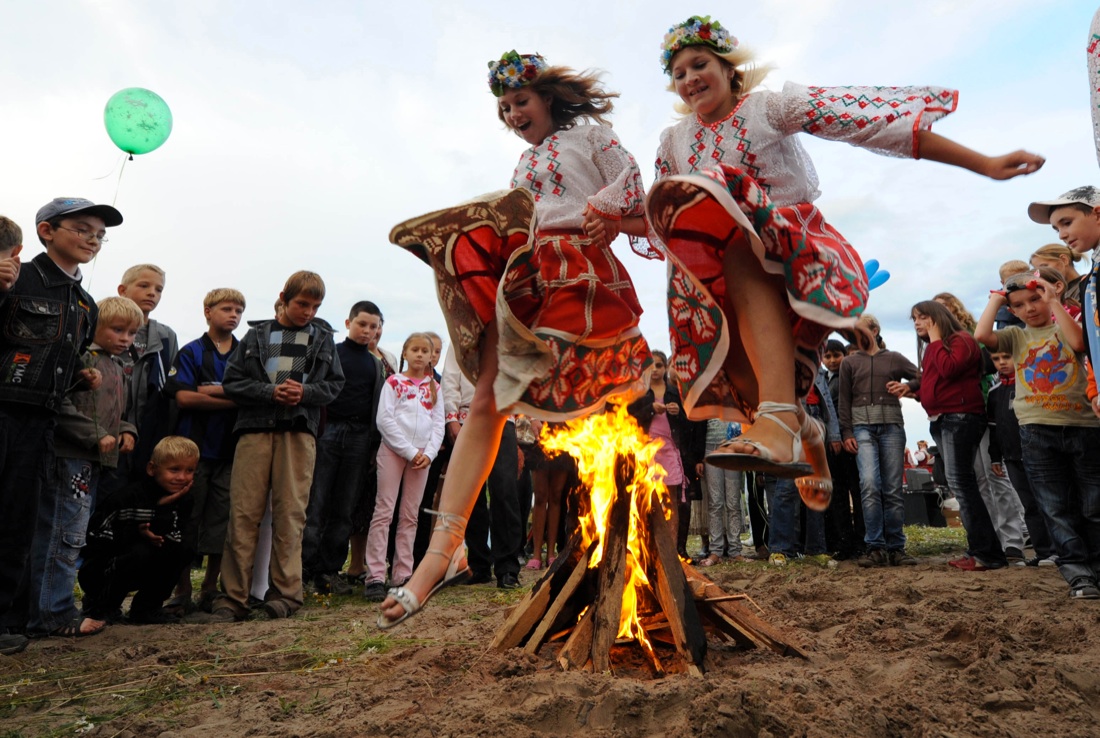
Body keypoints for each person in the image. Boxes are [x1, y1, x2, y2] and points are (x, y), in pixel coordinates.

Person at [644, 14, 1044, 515]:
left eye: (699, 64)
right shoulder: (675, 142)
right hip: (734, 279)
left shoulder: (768, 108)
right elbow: (661, 214)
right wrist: (599, 222)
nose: (689, 79)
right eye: (678, 73)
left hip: (797, 252)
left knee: (741, 248)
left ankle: (779, 419)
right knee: (741, 379)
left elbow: (868, 126)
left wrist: (981, 163)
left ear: (730, 69)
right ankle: (804, 429)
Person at [382, 51, 650, 627]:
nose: (512, 114)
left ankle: (624, 541)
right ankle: (437, 557)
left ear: (548, 97)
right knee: (486, 402)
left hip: (579, 273)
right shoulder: (524, 165)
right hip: (526, 275)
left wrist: (608, 217)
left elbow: (638, 200)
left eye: (520, 102)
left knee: (608, 407)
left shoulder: (592, 138)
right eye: (504, 108)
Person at [0, 198, 120, 656]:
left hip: (41, 422)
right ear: (47, 231)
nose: (93, 238)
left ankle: (9, 620)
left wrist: (78, 374)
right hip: (4, 409)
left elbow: (52, 361)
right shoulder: (17, 277)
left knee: (18, 521)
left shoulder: (84, 302)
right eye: (82, 228)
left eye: (99, 234)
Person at [208, 271, 345, 622]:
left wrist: (306, 393)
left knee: (291, 516)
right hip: (254, 430)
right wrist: (270, 392)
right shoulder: (255, 334)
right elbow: (232, 381)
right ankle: (232, 599)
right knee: (243, 514)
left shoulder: (323, 339)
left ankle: (285, 595)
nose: (308, 312)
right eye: (302, 304)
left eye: (315, 306)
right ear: (284, 297)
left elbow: (334, 385)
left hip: (299, 431)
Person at [975, 274, 1100, 598]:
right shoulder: (1016, 336)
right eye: (1019, 305)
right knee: (1054, 506)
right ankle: (1079, 575)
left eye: (1035, 299)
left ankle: (1097, 568)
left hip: (1083, 426)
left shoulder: (1066, 324)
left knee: (1092, 504)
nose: (1029, 308)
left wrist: (1054, 301)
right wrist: (997, 298)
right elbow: (982, 334)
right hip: (1035, 429)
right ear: (1012, 310)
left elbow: (1079, 344)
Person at [26, 296, 142, 638]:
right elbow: (59, 402)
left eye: (132, 333)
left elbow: (119, 410)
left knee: (75, 533)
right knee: (64, 533)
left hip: (95, 462)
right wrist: (94, 434)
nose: (125, 338)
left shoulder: (118, 365)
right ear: (94, 326)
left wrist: (126, 430)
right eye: (117, 329)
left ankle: (53, 608)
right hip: (70, 456)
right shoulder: (81, 359)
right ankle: (54, 613)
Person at [893, 301, 1006, 570]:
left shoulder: (962, 340)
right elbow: (939, 382)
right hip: (944, 417)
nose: (918, 323)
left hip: (961, 416)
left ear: (937, 318)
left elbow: (949, 369)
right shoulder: (935, 347)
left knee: (962, 484)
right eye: (914, 320)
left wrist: (934, 339)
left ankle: (987, 554)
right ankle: (980, 550)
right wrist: (916, 392)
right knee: (961, 484)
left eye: (923, 318)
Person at [163, 288, 246, 612]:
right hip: (192, 454)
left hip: (229, 451)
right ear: (208, 311)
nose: (234, 314)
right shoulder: (191, 352)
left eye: (239, 309)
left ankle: (210, 588)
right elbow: (183, 397)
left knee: (221, 522)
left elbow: (249, 396)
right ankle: (181, 589)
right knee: (187, 521)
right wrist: (230, 398)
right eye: (227, 308)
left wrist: (212, 393)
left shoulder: (244, 354)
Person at [302, 301, 381, 595]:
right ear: (348, 323)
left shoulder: (375, 364)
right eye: (362, 324)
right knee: (316, 502)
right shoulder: (330, 353)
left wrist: (373, 444)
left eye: (373, 327)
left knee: (345, 508)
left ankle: (329, 571)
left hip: (360, 436)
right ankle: (302, 570)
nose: (367, 331)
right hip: (328, 431)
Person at [79, 437, 199, 624]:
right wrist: (135, 534)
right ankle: (101, 606)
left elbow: (178, 538)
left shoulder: (184, 500)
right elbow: (94, 539)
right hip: (102, 569)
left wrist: (163, 511)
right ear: (152, 469)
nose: (182, 477)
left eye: (189, 470)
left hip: (142, 563)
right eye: (174, 469)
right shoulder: (126, 497)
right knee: (139, 552)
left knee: (183, 549)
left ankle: (146, 609)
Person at [363, 333, 445, 601]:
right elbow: (384, 420)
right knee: (384, 512)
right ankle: (375, 575)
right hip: (393, 453)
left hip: (422, 458)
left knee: (410, 515)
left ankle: (403, 574)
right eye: (415, 350)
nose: (421, 355)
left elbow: (438, 424)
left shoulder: (435, 388)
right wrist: (409, 451)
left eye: (426, 351)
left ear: (432, 356)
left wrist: (429, 454)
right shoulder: (394, 382)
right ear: (405, 353)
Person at [838, 314, 919, 567]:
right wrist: (847, 433)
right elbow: (844, 401)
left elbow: (923, 376)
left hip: (892, 427)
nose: (857, 339)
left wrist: (908, 387)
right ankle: (875, 546)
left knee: (893, 488)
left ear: (875, 330)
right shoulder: (849, 363)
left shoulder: (893, 358)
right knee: (869, 484)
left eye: (861, 332)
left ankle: (896, 546)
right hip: (862, 429)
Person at [101, 265, 179, 496]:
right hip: (109, 427)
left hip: (149, 428)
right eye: (144, 286)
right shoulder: (103, 325)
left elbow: (170, 387)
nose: (152, 293)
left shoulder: (166, 335)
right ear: (123, 290)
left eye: (158, 289)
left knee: (137, 495)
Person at [985, 349, 1054, 567]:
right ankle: (1043, 551)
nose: (1002, 362)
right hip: (1012, 457)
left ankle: (1061, 550)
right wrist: (995, 457)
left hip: (1038, 453)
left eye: (1006, 357)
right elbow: (994, 428)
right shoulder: (995, 393)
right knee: (1029, 505)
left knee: (1051, 503)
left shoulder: (1032, 384)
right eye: (996, 359)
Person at [628, 350, 692, 557]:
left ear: (665, 368)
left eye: (659, 365)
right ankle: (648, 547)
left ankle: (672, 549)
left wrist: (678, 412)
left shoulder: (675, 391)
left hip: (670, 448)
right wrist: (651, 409)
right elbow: (629, 418)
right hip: (646, 448)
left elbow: (688, 423)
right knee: (647, 498)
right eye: (651, 365)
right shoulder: (640, 392)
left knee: (672, 499)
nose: (655, 370)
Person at [821, 339, 864, 559]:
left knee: (854, 490)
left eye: (836, 355)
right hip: (832, 443)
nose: (832, 361)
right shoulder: (824, 380)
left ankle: (858, 540)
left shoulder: (846, 378)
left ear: (845, 355)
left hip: (848, 440)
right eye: (827, 357)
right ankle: (845, 540)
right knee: (838, 492)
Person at [1030, 243, 1086, 310]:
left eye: (1044, 266)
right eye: (1037, 270)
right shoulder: (1055, 293)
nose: (1040, 273)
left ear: (1064, 260)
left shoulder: (1087, 285)